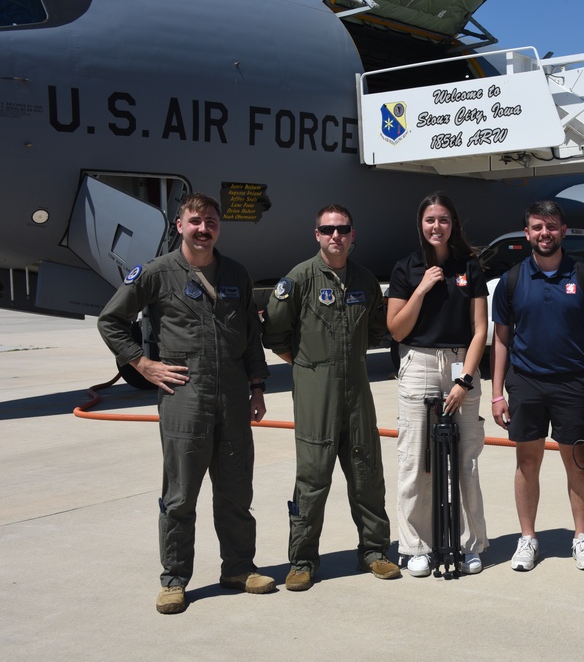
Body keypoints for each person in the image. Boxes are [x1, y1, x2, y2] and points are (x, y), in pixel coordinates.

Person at [97, 193, 275, 615]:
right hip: (185, 397)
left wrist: (257, 386)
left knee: (235, 490)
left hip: (232, 396)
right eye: (195, 220)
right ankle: (174, 579)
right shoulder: (157, 273)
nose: (203, 228)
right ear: (179, 225)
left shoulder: (235, 272)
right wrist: (143, 364)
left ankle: (239, 568)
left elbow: (250, 334)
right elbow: (111, 320)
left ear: (218, 227)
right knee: (180, 495)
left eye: (210, 220)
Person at [262, 203, 399, 590]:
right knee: (312, 479)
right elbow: (274, 334)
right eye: (327, 230)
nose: (335, 236)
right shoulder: (300, 279)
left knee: (367, 474)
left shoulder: (366, 281)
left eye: (342, 229)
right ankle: (302, 560)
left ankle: (374, 551)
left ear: (353, 235)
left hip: (357, 392)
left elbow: (376, 330)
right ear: (317, 235)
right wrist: (308, 365)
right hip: (314, 395)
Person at [491, 199, 584, 571]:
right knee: (527, 462)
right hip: (526, 383)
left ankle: (581, 538)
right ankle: (528, 538)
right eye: (537, 227)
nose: (544, 233)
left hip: (574, 385)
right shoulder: (512, 280)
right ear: (527, 232)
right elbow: (500, 340)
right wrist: (498, 393)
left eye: (551, 227)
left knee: (577, 462)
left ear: (563, 231)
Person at [386, 191, 489, 577]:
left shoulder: (470, 268)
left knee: (466, 462)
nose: (436, 227)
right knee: (415, 461)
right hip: (420, 363)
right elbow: (396, 329)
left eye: (443, 220)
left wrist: (465, 379)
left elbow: (481, 330)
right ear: (421, 225)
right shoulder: (406, 268)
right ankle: (416, 546)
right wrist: (422, 288)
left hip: (462, 364)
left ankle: (471, 544)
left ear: (453, 225)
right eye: (430, 220)